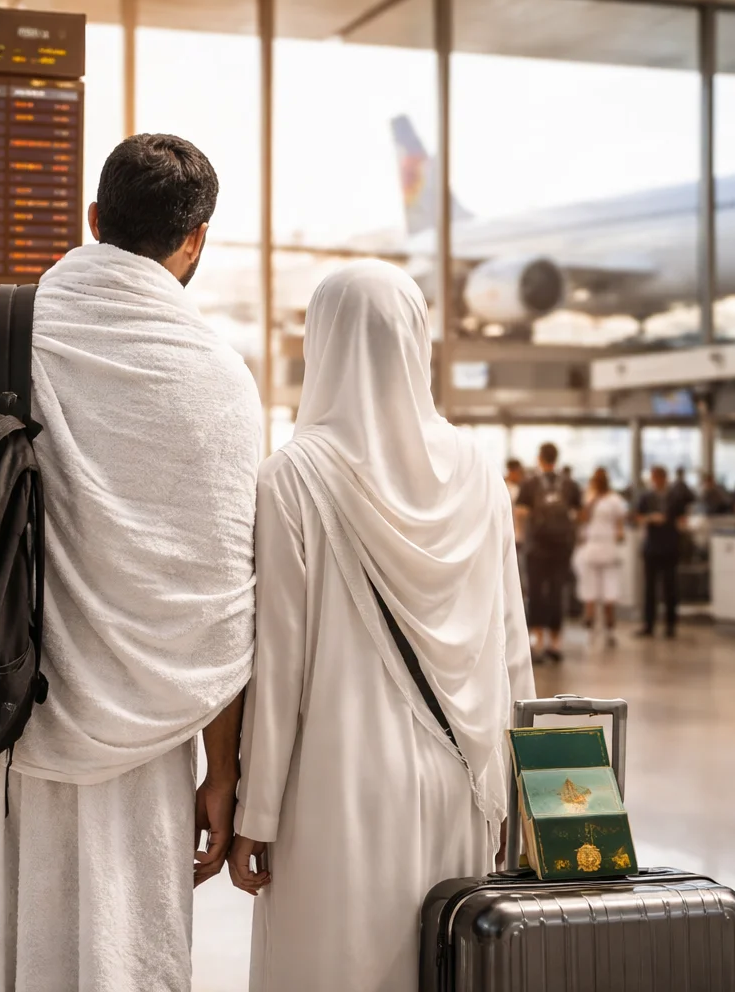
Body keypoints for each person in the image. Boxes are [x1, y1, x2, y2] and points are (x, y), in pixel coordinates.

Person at [0, 133, 261, 991]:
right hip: (145, 755)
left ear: (93, 219)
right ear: (195, 241)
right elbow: (227, 599)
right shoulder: (219, 378)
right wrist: (225, 772)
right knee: (121, 954)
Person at [225, 260, 535, 990]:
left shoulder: (296, 476)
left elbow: (280, 666)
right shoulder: (479, 472)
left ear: (321, 345)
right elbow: (510, 646)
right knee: (446, 967)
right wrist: (524, 796)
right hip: (467, 778)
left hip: (336, 783)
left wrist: (255, 811)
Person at [515, 441, 580, 662]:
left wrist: (528, 528)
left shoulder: (530, 483)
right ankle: (556, 644)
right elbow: (579, 514)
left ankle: (537, 642)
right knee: (556, 592)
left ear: (540, 458)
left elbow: (521, 512)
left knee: (535, 593)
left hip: (536, 547)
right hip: (561, 547)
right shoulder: (569, 483)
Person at [574, 468, 629, 646]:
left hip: (601, 545)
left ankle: (604, 628)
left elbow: (619, 525)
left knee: (604, 590)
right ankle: (599, 627)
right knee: (598, 589)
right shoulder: (595, 499)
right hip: (598, 545)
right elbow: (583, 518)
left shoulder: (612, 500)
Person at [635, 465, 684, 639]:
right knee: (649, 587)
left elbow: (682, 519)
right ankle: (649, 624)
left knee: (670, 586)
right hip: (652, 546)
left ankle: (670, 625)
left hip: (670, 545)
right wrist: (650, 518)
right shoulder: (646, 497)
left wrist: (675, 525)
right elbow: (638, 516)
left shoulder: (674, 497)